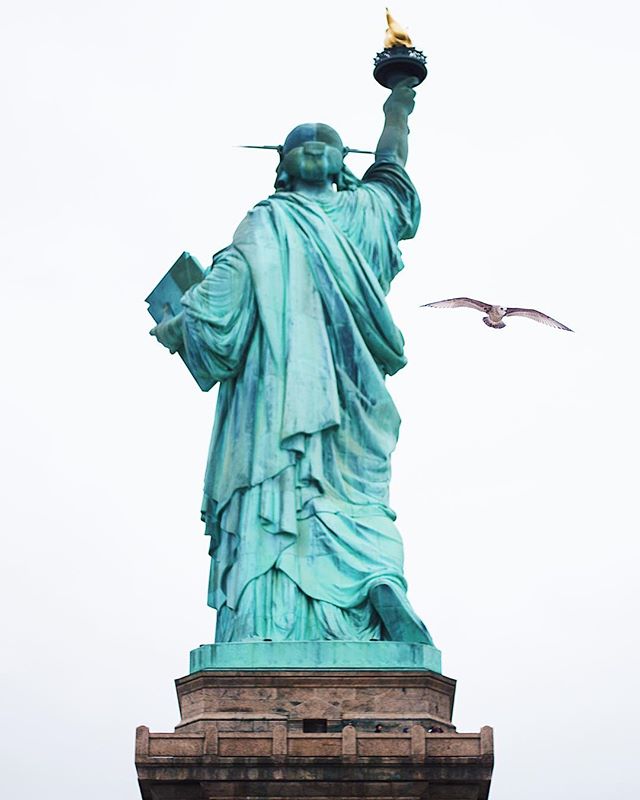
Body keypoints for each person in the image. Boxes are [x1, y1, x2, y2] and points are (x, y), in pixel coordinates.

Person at [151, 78, 434, 646]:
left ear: (339, 161)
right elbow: (224, 295)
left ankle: (361, 586)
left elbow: (392, 164)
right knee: (309, 489)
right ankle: (354, 588)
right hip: (276, 382)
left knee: (339, 491)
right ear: (282, 164)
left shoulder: (365, 210)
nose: (312, 147)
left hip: (342, 383)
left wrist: (397, 106)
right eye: (301, 143)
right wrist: (188, 321)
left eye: (324, 142)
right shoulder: (265, 221)